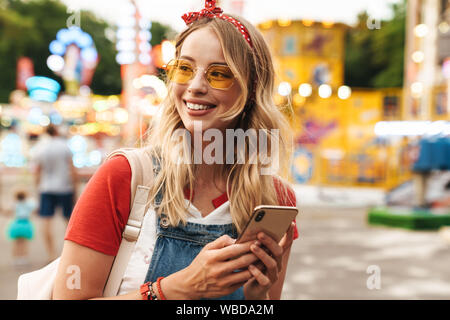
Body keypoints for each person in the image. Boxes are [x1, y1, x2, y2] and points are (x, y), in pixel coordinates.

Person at [53, 0, 299, 300]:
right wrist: (172, 290)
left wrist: (256, 297)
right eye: (184, 68)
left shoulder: (275, 199)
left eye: (218, 73)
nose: (195, 86)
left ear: (251, 89)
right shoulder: (125, 177)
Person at [33, 124, 77, 261]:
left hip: (46, 188)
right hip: (64, 187)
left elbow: (37, 172)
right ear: (57, 131)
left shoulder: (40, 148)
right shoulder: (64, 146)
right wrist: (75, 188)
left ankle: (51, 254)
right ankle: (70, 254)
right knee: (69, 222)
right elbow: (72, 169)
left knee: (46, 222)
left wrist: (37, 190)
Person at [7, 191, 36, 268]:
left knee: (16, 243)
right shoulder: (29, 204)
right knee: (24, 242)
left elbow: (8, 211)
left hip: (16, 224)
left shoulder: (15, 204)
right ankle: (24, 258)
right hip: (26, 224)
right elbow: (35, 208)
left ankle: (16, 258)